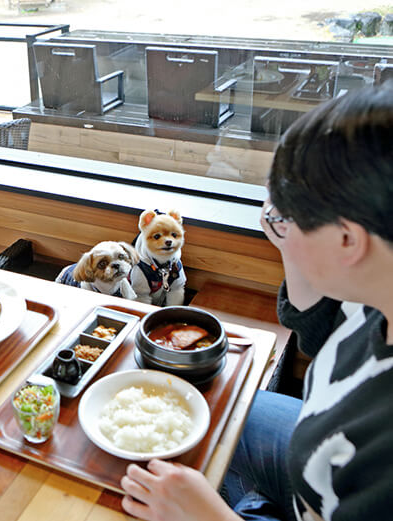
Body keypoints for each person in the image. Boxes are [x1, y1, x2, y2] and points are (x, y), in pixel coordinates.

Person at [120, 82, 393, 521]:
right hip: (315, 445)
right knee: (199, 412)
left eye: (289, 218)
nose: (275, 223)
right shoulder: (377, 290)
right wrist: (288, 237)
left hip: (328, 490)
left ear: (348, 240)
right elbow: (322, 331)